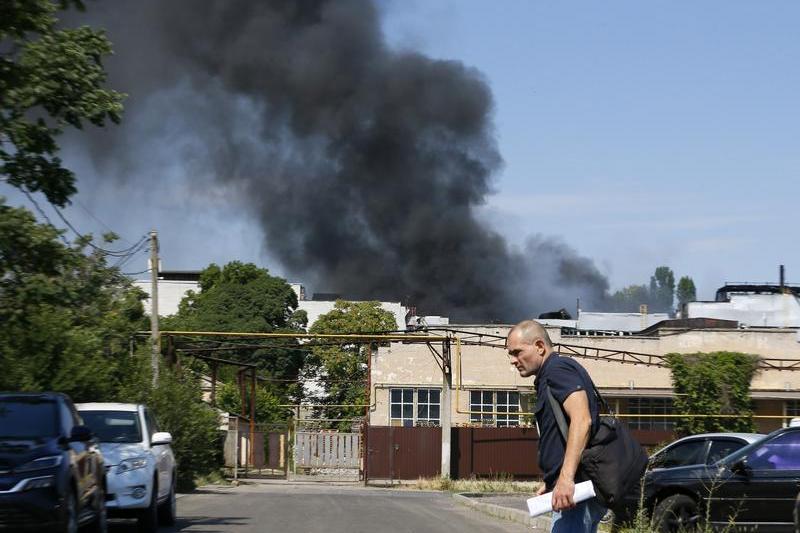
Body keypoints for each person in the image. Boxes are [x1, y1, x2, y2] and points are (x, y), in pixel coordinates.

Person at [506, 320, 607, 533]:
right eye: (511, 354)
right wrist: (552, 480)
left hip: (575, 491)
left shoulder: (557, 370)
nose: (513, 361)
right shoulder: (550, 374)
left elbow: (582, 420)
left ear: (540, 347)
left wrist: (565, 478)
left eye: (517, 352)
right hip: (571, 489)